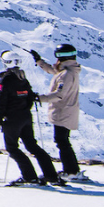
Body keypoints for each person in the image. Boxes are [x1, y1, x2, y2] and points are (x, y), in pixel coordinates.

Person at [0, 50, 61, 186]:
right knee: (32, 146)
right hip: (26, 117)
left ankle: (29, 176)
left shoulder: (5, 80)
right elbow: (30, 97)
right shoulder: (23, 78)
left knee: (12, 148)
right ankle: (51, 175)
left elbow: (2, 101)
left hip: (12, 119)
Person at [33, 44, 85, 182]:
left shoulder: (67, 74)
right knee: (63, 141)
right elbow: (54, 71)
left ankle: (71, 171)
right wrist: (39, 62)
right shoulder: (68, 70)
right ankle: (72, 170)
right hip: (66, 111)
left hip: (64, 112)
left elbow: (59, 94)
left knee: (62, 141)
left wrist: (40, 98)